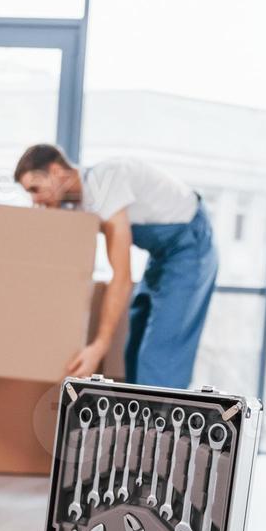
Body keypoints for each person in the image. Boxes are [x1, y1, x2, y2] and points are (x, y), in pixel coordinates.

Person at [13, 145, 218, 388]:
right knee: (133, 347)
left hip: (191, 245)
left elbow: (121, 276)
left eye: (35, 189)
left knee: (160, 355)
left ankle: (161, 425)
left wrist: (99, 346)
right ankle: (139, 424)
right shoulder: (79, 204)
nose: (35, 200)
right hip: (162, 254)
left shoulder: (104, 182)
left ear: (57, 171)